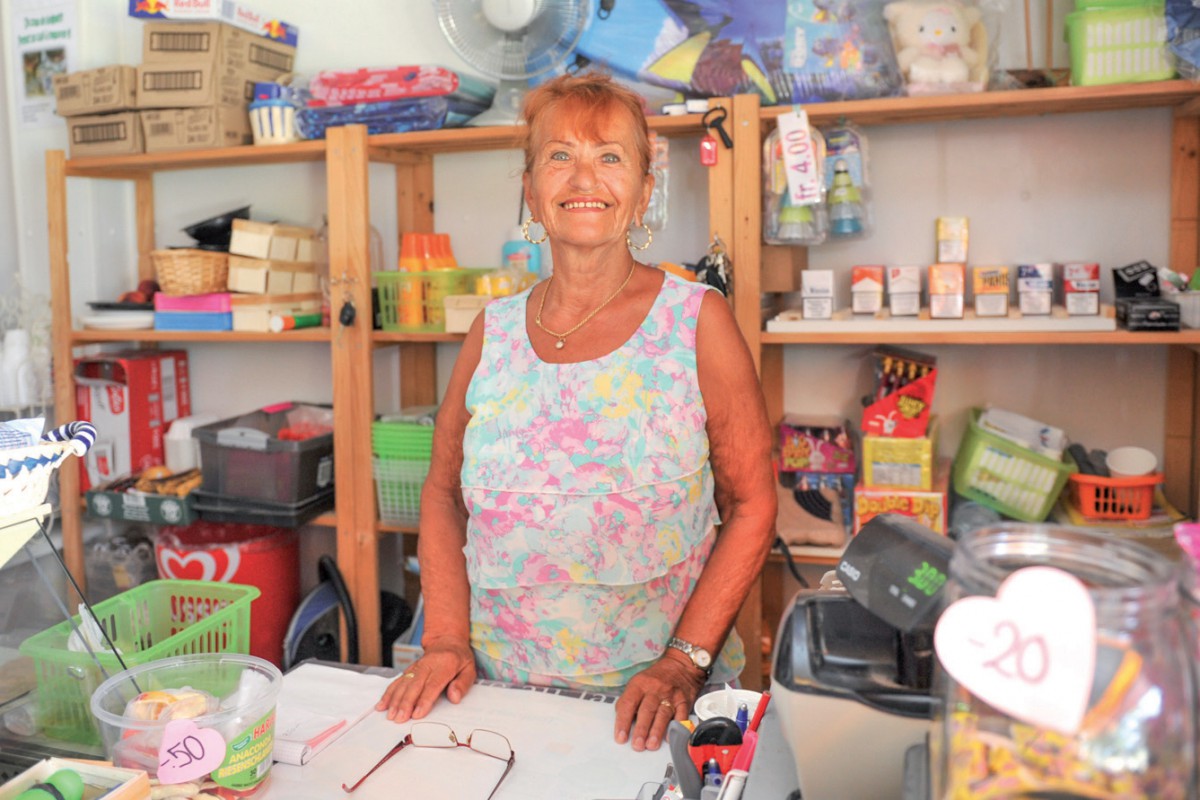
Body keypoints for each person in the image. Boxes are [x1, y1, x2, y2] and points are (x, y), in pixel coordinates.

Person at [377, 72, 776, 753]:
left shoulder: (697, 323)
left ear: (644, 189)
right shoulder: (492, 331)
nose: (582, 176)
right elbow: (443, 493)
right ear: (531, 189)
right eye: (559, 155)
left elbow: (753, 506)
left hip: (648, 707)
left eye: (609, 157)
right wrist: (442, 638)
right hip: (492, 693)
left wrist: (683, 660)